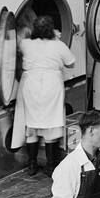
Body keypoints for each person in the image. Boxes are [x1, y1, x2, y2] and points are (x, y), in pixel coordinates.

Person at [17, 15, 76, 177]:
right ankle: (50, 166)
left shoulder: (25, 44)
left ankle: (32, 165)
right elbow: (71, 63)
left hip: (31, 84)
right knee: (52, 123)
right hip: (52, 85)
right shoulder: (59, 45)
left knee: (32, 124)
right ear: (52, 29)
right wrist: (56, 39)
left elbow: (18, 45)